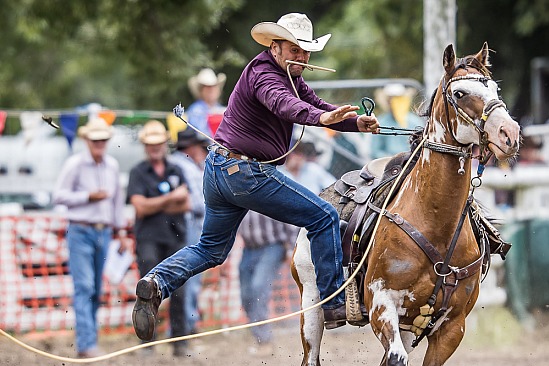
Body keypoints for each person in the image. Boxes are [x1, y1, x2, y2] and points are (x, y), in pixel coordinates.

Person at [131, 12, 379, 342]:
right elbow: (287, 106)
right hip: (244, 173)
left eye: (306, 51)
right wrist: (322, 115)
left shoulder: (287, 75)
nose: (302, 57)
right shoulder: (265, 75)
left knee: (211, 250)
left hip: (220, 170)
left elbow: (312, 104)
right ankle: (333, 304)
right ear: (275, 47)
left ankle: (157, 282)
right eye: (295, 49)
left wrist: (352, 123)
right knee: (324, 216)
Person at [53, 118, 128, 358]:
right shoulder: (75, 164)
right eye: (95, 139)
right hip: (80, 229)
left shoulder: (112, 166)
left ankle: (89, 340)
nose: (99, 143)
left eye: (103, 140)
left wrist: (122, 231)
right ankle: (86, 343)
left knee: (95, 287)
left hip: (103, 232)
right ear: (87, 140)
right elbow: (58, 196)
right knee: (84, 285)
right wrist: (88, 197)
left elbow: (117, 203)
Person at [127, 120, 191, 357]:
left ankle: (179, 341)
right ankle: (147, 342)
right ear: (145, 146)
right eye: (150, 144)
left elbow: (186, 203)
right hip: (148, 239)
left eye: (158, 143)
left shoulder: (177, 170)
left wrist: (155, 203)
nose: (155, 147)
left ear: (165, 144)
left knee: (180, 292)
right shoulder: (138, 172)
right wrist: (171, 199)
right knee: (146, 290)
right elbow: (140, 207)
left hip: (175, 236)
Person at [238, 212, 299, 356]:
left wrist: (291, 248)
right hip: (248, 248)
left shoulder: (266, 190)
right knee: (246, 294)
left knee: (258, 288)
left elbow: (288, 218)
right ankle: (259, 336)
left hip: (273, 246)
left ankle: (264, 341)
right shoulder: (235, 194)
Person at [169, 126, 209, 333]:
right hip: (187, 222)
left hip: (193, 221)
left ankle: (187, 323)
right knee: (189, 276)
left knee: (190, 276)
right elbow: (194, 200)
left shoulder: (187, 165)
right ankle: (186, 325)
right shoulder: (181, 165)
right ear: (191, 147)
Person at [370, 82, 424, 159]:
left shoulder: (415, 122)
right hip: (387, 164)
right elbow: (375, 151)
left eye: (399, 99)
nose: (395, 102)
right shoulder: (380, 122)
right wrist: (392, 159)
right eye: (392, 99)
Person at [186, 68, 227, 138]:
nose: (211, 90)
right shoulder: (195, 110)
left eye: (214, 86)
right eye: (207, 87)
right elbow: (199, 133)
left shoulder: (223, 109)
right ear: (201, 91)